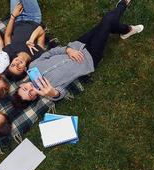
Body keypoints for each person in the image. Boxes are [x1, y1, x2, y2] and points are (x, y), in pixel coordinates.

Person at [13, 0, 144, 105]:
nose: (30, 88)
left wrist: (67, 49)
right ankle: (123, 4)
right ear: (35, 97)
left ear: (22, 84)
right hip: (90, 58)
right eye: (31, 93)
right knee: (108, 20)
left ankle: (127, 30)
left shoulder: (32, 67)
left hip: (76, 45)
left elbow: (50, 53)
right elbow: (61, 94)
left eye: (25, 88)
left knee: (105, 25)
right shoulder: (50, 91)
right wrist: (52, 93)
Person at [3, 0, 46, 80]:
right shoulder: (37, 55)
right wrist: (31, 40)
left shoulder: (10, 52)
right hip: (33, 18)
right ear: (25, 69)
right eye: (19, 68)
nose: (17, 63)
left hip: (17, 19)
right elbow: (41, 30)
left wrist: (13, 16)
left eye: (13, 65)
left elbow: (7, 36)